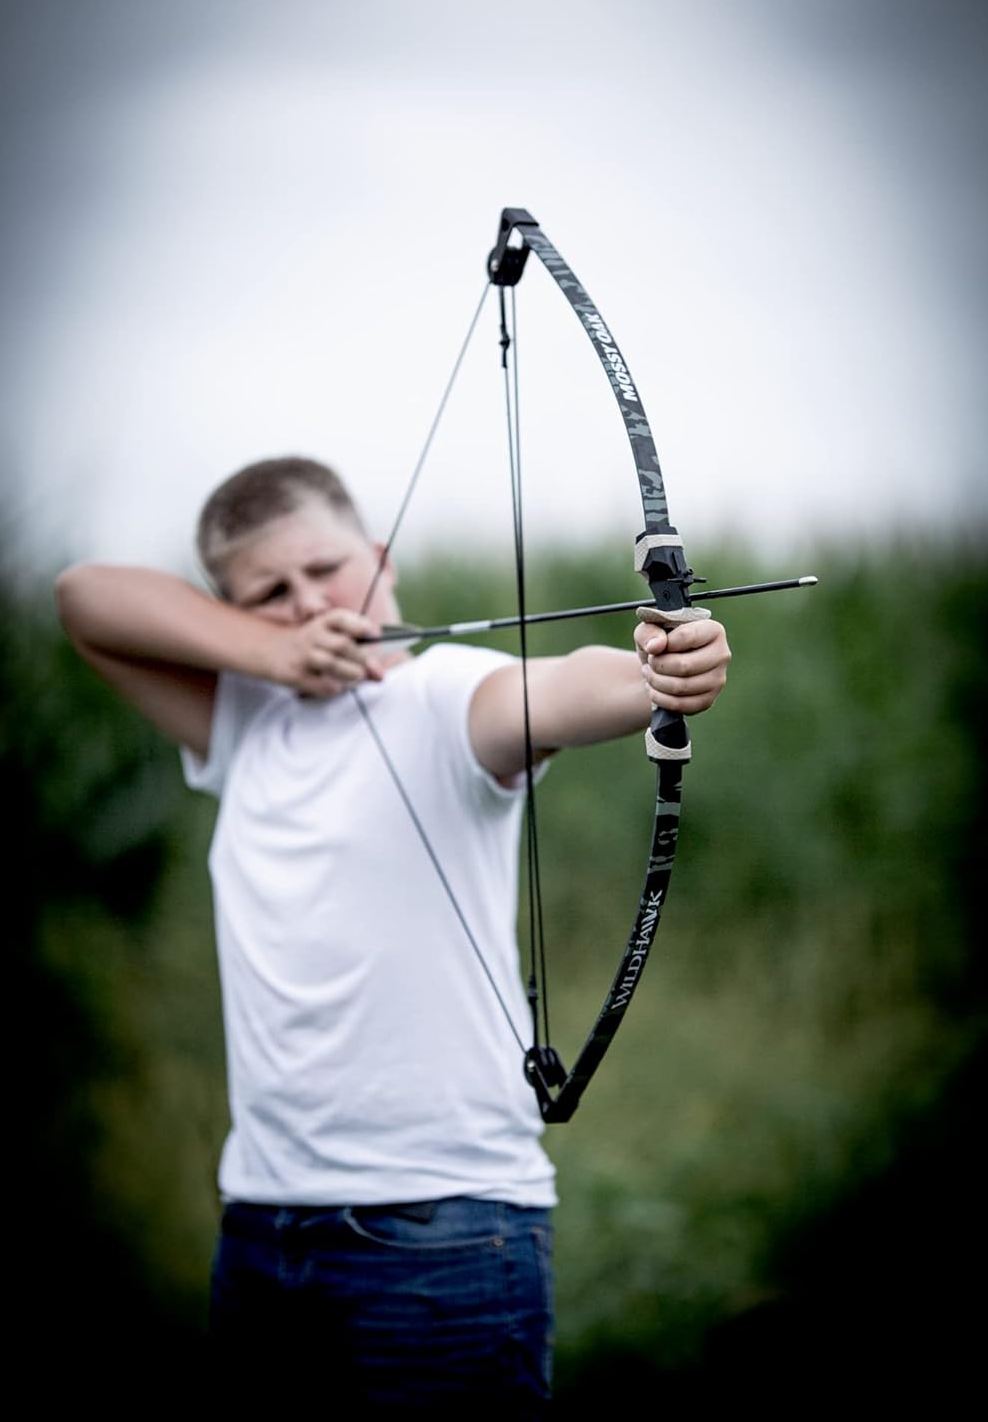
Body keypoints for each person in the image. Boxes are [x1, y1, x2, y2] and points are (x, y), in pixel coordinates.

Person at [55, 455, 731, 1408]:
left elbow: (562, 689)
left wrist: (659, 673)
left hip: (441, 1236)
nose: (305, 603)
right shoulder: (242, 723)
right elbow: (84, 598)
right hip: (262, 1227)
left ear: (381, 558)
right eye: (268, 594)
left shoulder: (444, 695)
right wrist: (270, 659)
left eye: (325, 570)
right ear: (232, 614)